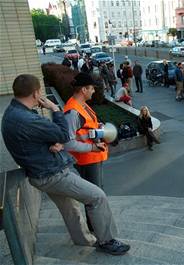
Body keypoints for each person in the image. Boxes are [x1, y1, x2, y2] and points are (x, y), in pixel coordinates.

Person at [1, 74, 130, 255]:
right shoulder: (27, 119)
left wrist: (50, 142)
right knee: (97, 196)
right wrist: (54, 108)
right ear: (36, 93)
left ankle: (83, 241)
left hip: (39, 172)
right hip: (52, 173)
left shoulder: (12, 114)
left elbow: (34, 139)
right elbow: (63, 135)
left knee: (71, 208)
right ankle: (107, 241)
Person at [63, 73, 109, 231]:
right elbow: (68, 144)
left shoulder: (81, 105)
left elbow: (86, 128)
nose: (94, 92)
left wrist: (99, 129)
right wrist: (92, 147)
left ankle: (97, 227)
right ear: (83, 89)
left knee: (97, 194)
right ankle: (98, 230)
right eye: (91, 89)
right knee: (94, 197)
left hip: (93, 158)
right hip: (87, 160)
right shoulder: (72, 111)